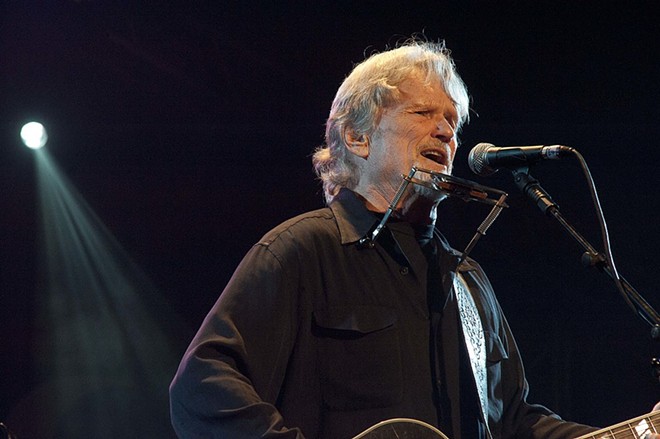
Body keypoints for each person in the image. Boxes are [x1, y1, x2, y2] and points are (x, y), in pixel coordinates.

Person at [169, 40, 659, 439]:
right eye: (424, 113)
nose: (445, 131)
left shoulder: (467, 281)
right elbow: (201, 386)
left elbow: (515, 423)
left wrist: (641, 432)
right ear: (358, 137)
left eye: (452, 121)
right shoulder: (301, 251)